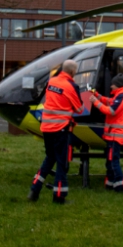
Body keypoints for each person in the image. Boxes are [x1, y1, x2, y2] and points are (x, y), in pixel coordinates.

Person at [28, 60, 87, 204]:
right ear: (73, 72)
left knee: (50, 158)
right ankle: (59, 196)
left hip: (46, 127)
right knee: (61, 162)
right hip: (60, 129)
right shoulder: (72, 86)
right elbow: (79, 109)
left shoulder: (52, 81)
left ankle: (34, 190)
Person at [93, 74, 123, 193]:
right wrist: (97, 95)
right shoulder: (118, 95)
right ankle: (110, 184)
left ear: (117, 85)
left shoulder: (121, 96)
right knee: (110, 161)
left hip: (115, 136)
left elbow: (111, 110)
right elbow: (109, 101)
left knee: (113, 161)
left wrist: (95, 102)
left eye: (113, 84)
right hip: (112, 135)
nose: (111, 86)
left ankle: (121, 187)